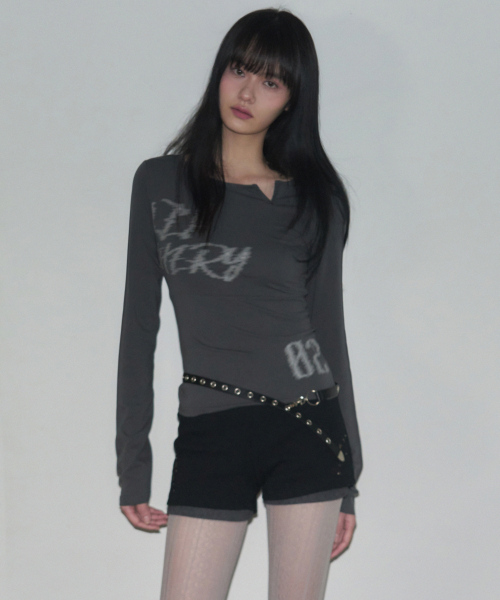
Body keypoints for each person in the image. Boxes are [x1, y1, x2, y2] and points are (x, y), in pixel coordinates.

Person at [116, 8, 363, 600]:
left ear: (292, 99)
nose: (248, 92)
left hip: (308, 425)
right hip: (212, 430)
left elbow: (329, 332)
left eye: (271, 81)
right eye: (240, 69)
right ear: (220, 72)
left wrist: (349, 482)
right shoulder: (160, 183)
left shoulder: (316, 199)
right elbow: (138, 329)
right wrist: (133, 465)